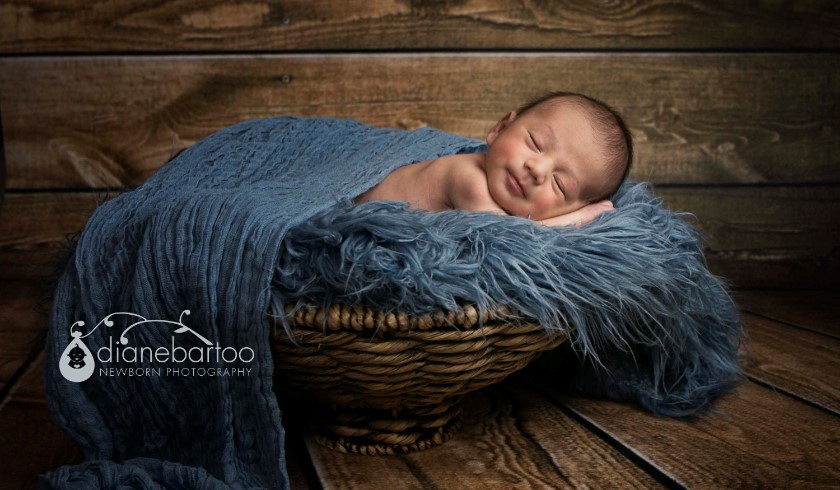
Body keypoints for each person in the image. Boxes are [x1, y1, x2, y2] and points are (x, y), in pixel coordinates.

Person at [354, 91, 633, 228]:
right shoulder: (469, 180)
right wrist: (576, 219)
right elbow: (510, 241)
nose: (537, 169)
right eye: (535, 143)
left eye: (559, 185)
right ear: (499, 129)